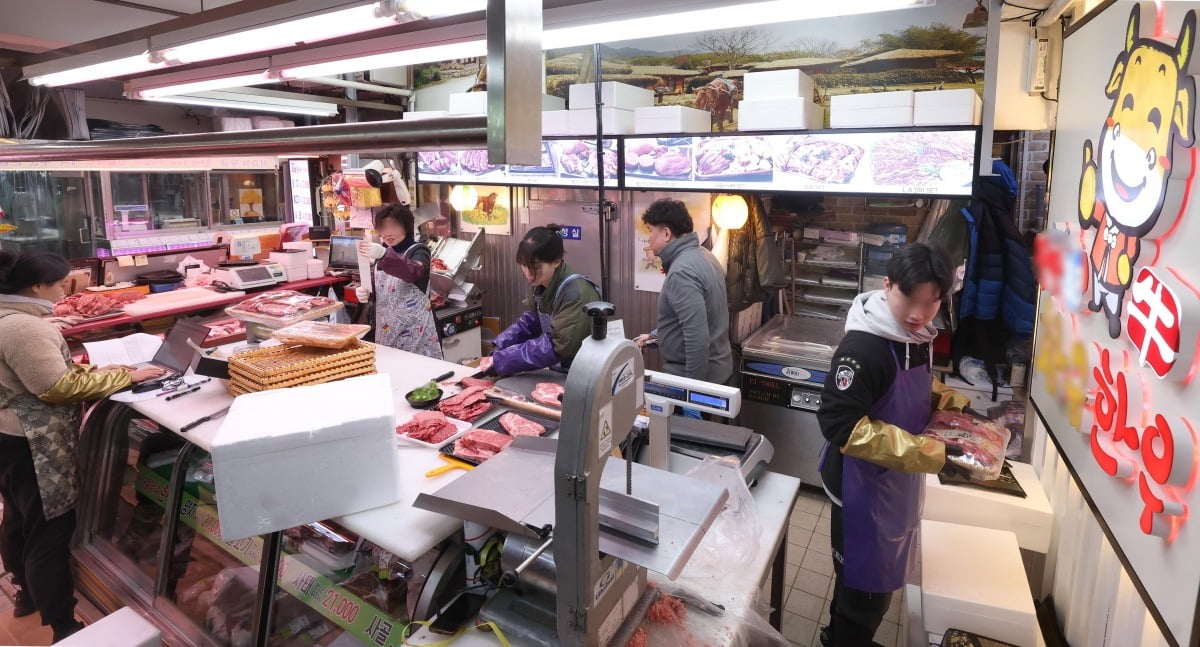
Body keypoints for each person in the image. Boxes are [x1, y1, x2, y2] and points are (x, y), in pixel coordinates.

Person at [0, 251, 165, 643]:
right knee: (50, 530)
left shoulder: (12, 318)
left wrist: (98, 370)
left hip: (8, 439)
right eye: (59, 285)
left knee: (19, 517)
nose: (62, 292)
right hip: (34, 444)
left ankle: (25, 595)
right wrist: (126, 376)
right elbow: (56, 387)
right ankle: (63, 626)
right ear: (36, 287)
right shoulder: (25, 329)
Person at [815, 243, 970, 647]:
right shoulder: (864, 347)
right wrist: (926, 453)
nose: (919, 314)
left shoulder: (916, 334)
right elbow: (839, 425)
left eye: (931, 303)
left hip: (894, 483)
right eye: (909, 299)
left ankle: (839, 636)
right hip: (860, 486)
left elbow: (901, 387)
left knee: (869, 588)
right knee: (865, 593)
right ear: (886, 285)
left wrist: (942, 399)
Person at [635, 198, 732, 387]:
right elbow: (699, 320)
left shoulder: (682, 271)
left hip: (696, 379)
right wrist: (656, 336)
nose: (649, 238)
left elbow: (697, 339)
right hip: (718, 372)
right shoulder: (705, 256)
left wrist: (691, 394)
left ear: (666, 233)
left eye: (650, 231)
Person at [483, 225, 600, 376]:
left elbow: (558, 346)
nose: (529, 275)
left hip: (583, 375)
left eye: (536, 268)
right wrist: (501, 344)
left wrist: (507, 359)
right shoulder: (544, 283)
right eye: (524, 266)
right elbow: (532, 320)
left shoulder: (576, 294)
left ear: (556, 261)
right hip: (560, 371)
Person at [357, 203, 443, 359]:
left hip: (417, 333)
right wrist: (367, 293)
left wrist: (384, 254)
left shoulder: (419, 251)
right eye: (383, 228)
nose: (388, 233)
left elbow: (412, 272)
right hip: (387, 332)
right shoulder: (381, 254)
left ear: (406, 227)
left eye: (394, 227)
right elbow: (384, 291)